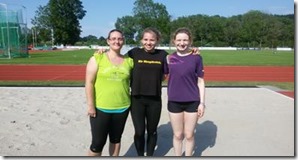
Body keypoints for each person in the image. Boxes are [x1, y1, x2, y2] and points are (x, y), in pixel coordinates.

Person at [85, 29, 134, 156]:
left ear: (123, 41)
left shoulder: (129, 61)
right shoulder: (97, 58)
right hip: (101, 108)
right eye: (113, 39)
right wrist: (91, 105)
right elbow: (89, 83)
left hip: (122, 108)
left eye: (120, 39)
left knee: (116, 140)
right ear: (108, 41)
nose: (116, 41)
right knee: (97, 144)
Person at [164, 27, 206, 156]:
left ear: (190, 41)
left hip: (192, 101)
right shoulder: (168, 58)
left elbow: (200, 81)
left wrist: (202, 103)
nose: (182, 43)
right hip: (174, 101)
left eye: (185, 40)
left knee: (189, 135)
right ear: (173, 41)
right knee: (177, 135)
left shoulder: (196, 58)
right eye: (179, 40)